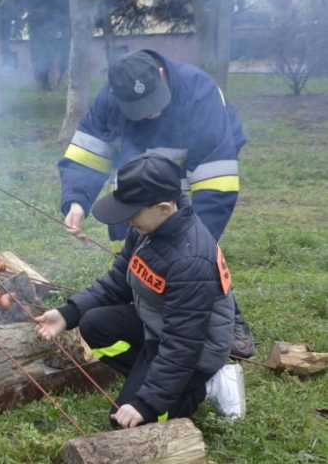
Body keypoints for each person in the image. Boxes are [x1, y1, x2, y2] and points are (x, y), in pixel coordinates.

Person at [58, 49, 255, 358]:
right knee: (140, 236)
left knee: (190, 252)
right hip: (141, 168)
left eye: (154, 105)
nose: (151, 114)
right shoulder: (111, 98)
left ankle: (226, 315)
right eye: (140, 109)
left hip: (196, 166)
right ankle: (142, 303)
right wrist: (76, 201)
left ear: (162, 76)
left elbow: (216, 182)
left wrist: (195, 245)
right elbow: (87, 155)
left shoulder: (199, 93)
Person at [38, 153, 245, 429]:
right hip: (157, 326)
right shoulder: (147, 229)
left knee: (126, 421)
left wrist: (146, 402)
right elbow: (118, 282)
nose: (126, 220)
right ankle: (157, 379)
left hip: (195, 350)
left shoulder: (191, 260)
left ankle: (204, 386)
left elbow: (183, 343)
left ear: (163, 207)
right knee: (92, 325)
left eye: (131, 212)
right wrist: (68, 313)